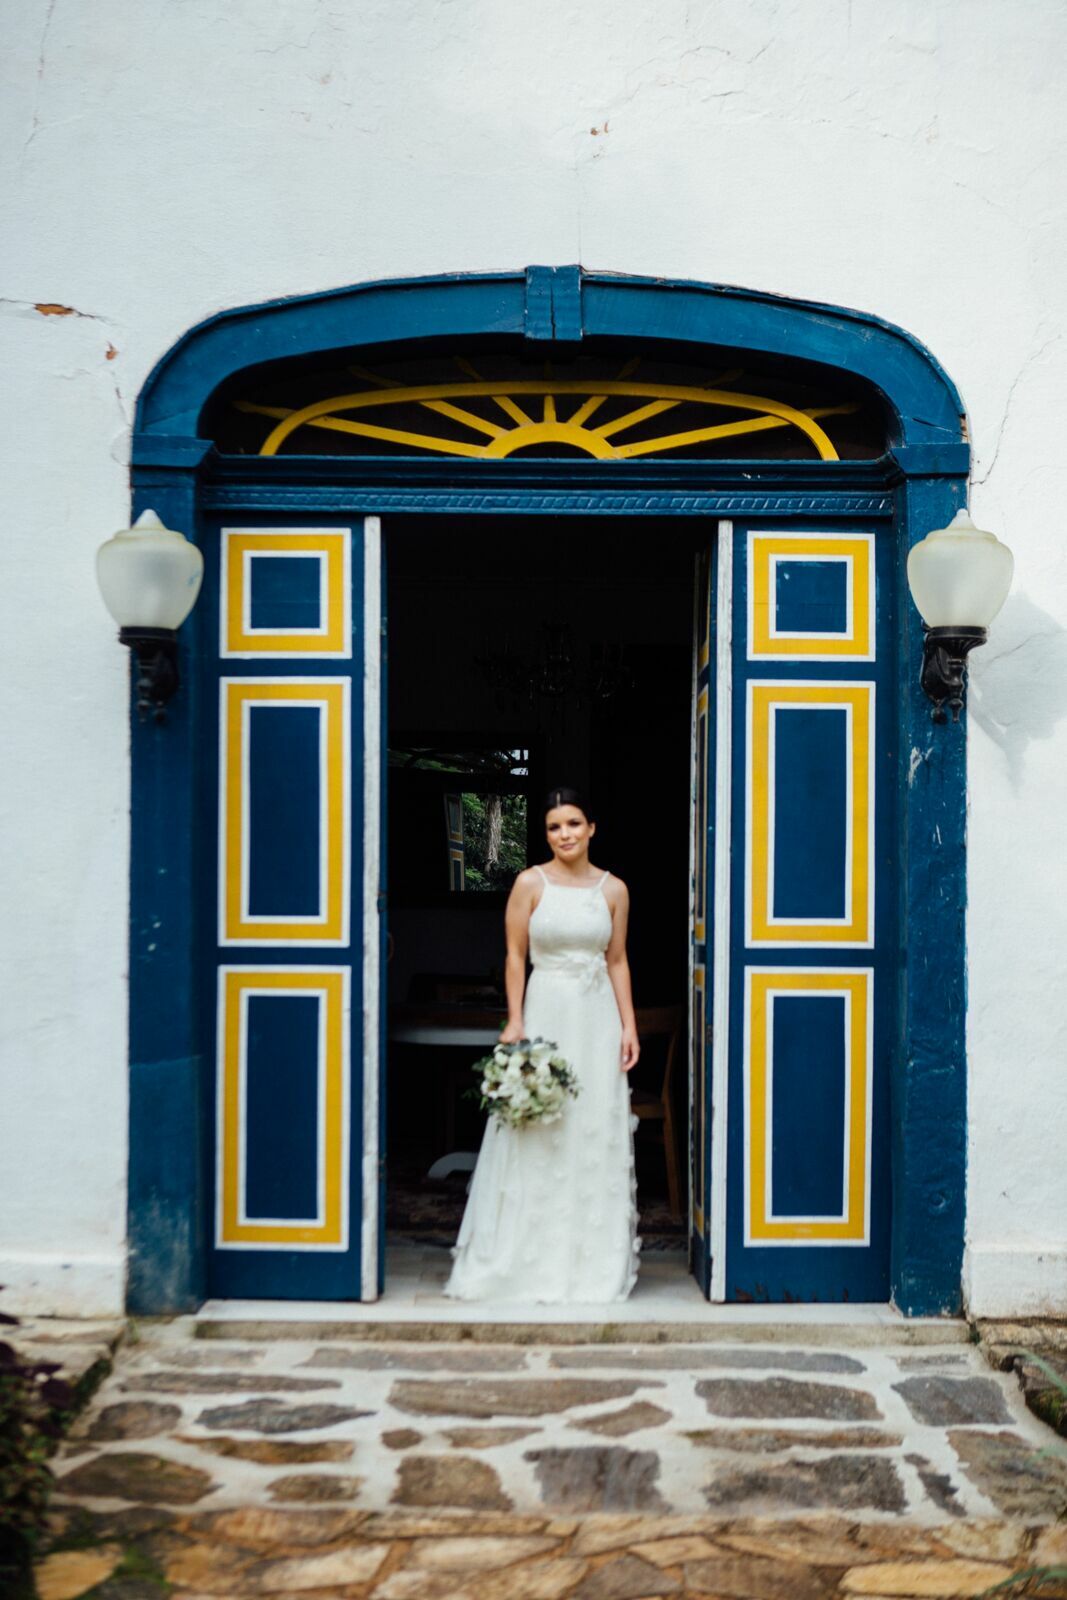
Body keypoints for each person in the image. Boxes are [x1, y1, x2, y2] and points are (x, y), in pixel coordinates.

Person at [444, 787, 641, 1302]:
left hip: (597, 1018)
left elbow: (617, 959)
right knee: (537, 1126)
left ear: (591, 828)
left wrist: (629, 1026)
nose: (565, 835)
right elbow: (514, 956)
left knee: (591, 1125)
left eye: (573, 824)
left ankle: (590, 1263)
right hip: (546, 1009)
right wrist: (514, 1022)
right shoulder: (530, 883)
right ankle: (526, 1260)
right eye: (555, 827)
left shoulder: (614, 890)